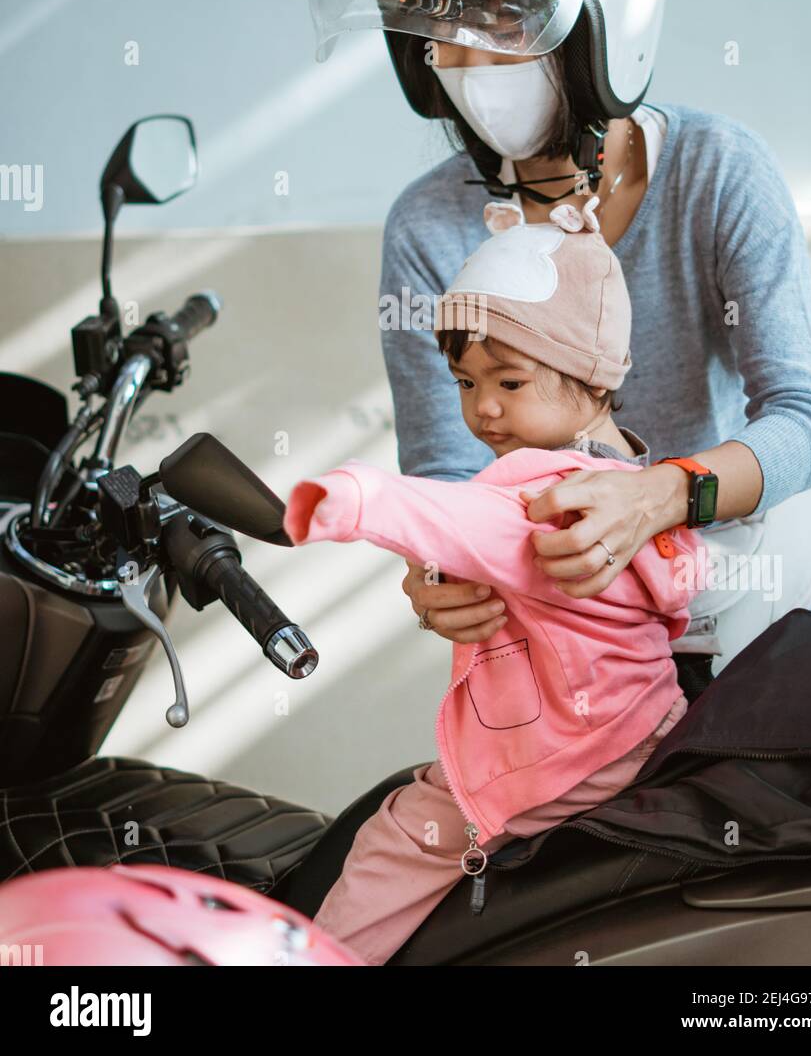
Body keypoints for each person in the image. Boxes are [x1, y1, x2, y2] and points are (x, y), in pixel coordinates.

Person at [307, 0, 811, 680]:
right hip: (576, 637)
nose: (461, 65)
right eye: (438, 42)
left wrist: (661, 493)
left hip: (759, 605)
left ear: (596, 34)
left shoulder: (717, 170)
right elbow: (449, 471)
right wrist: (438, 563)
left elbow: (806, 425)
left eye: (498, 31)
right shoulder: (427, 226)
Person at [283, 195, 703, 965]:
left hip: (569, 753)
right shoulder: (633, 489)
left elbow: (451, 518)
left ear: (590, 372)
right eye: (466, 384)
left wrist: (346, 498)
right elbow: (685, 586)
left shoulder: (538, 495)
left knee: (399, 836)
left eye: (508, 383)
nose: (483, 410)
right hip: (645, 724)